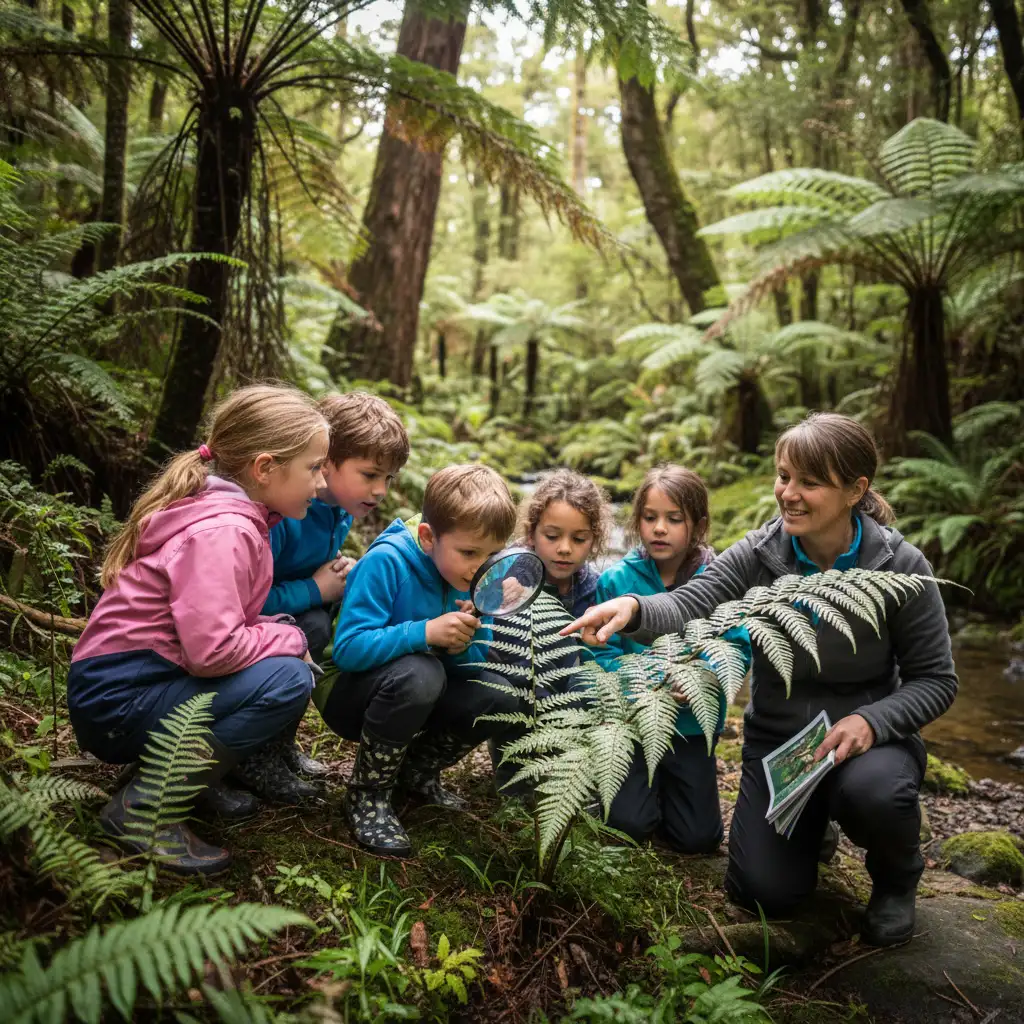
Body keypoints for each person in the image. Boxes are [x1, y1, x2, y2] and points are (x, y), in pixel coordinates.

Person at [563, 413, 957, 947]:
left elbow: (935, 679)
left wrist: (873, 719)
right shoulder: (760, 552)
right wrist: (632, 607)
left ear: (854, 491)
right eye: (783, 476)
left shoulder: (900, 566)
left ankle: (895, 878)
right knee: (762, 893)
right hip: (779, 746)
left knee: (875, 794)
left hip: (867, 744)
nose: (787, 494)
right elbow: (691, 603)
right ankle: (813, 826)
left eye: (809, 482)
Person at [68, 385, 328, 875]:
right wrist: (290, 638)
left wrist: (276, 631)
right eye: (313, 468)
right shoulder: (223, 531)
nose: (321, 483)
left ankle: (170, 777)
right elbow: (212, 652)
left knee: (282, 657)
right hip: (118, 699)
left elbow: (217, 628)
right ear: (266, 468)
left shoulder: (230, 515)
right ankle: (145, 810)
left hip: (133, 686)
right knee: (288, 678)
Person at [317, 464, 522, 856]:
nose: (481, 568)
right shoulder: (387, 562)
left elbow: (471, 670)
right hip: (346, 693)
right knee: (420, 670)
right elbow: (348, 649)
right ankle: (368, 793)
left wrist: (465, 643)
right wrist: (424, 633)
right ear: (428, 538)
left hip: (418, 690)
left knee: (499, 695)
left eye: (492, 555)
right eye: (468, 553)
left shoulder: (473, 578)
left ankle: (415, 773)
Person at [245, 392, 409, 801]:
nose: (381, 490)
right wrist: (317, 589)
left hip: (292, 613)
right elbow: (248, 600)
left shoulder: (340, 506)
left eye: (388, 478)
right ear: (327, 461)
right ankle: (256, 753)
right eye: (370, 474)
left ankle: (280, 742)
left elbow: (309, 559)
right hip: (252, 627)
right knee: (314, 624)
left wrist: (338, 567)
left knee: (316, 622)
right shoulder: (283, 513)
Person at [596, 464, 750, 853]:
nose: (659, 528)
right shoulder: (614, 582)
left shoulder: (718, 580)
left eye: (673, 519)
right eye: (650, 518)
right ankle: (631, 792)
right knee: (628, 825)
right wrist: (651, 677)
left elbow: (736, 646)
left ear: (697, 525)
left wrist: (704, 677)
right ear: (637, 522)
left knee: (698, 839)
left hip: (690, 729)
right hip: (630, 725)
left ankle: (668, 791)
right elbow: (600, 654)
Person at [487, 469, 611, 794]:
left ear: (594, 540)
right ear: (532, 532)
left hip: (567, 702)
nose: (565, 549)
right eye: (552, 536)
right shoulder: (510, 573)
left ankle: (571, 775)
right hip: (517, 697)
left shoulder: (594, 587)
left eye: (579, 539)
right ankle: (513, 774)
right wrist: (498, 597)